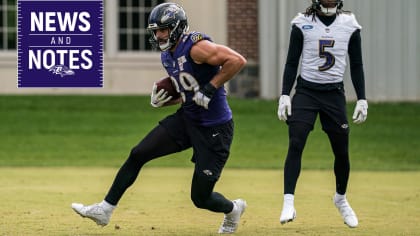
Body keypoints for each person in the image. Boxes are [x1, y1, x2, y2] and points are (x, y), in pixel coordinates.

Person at [71, 2, 247, 234]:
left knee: (201, 198)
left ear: (176, 28)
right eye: (155, 31)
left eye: (163, 30)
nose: (159, 35)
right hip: (188, 119)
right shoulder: (167, 55)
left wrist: (211, 88)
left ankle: (233, 209)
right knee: (138, 153)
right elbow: (188, 91)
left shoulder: (196, 47)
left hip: (215, 128)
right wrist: (167, 100)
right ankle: (105, 209)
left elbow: (237, 61)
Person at [277, 0, 367, 228]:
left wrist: (362, 98)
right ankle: (288, 201)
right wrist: (285, 94)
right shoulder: (302, 23)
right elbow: (291, 62)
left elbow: (356, 64)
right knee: (296, 142)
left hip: (334, 93)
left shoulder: (349, 24)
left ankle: (341, 198)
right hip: (306, 91)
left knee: (342, 151)